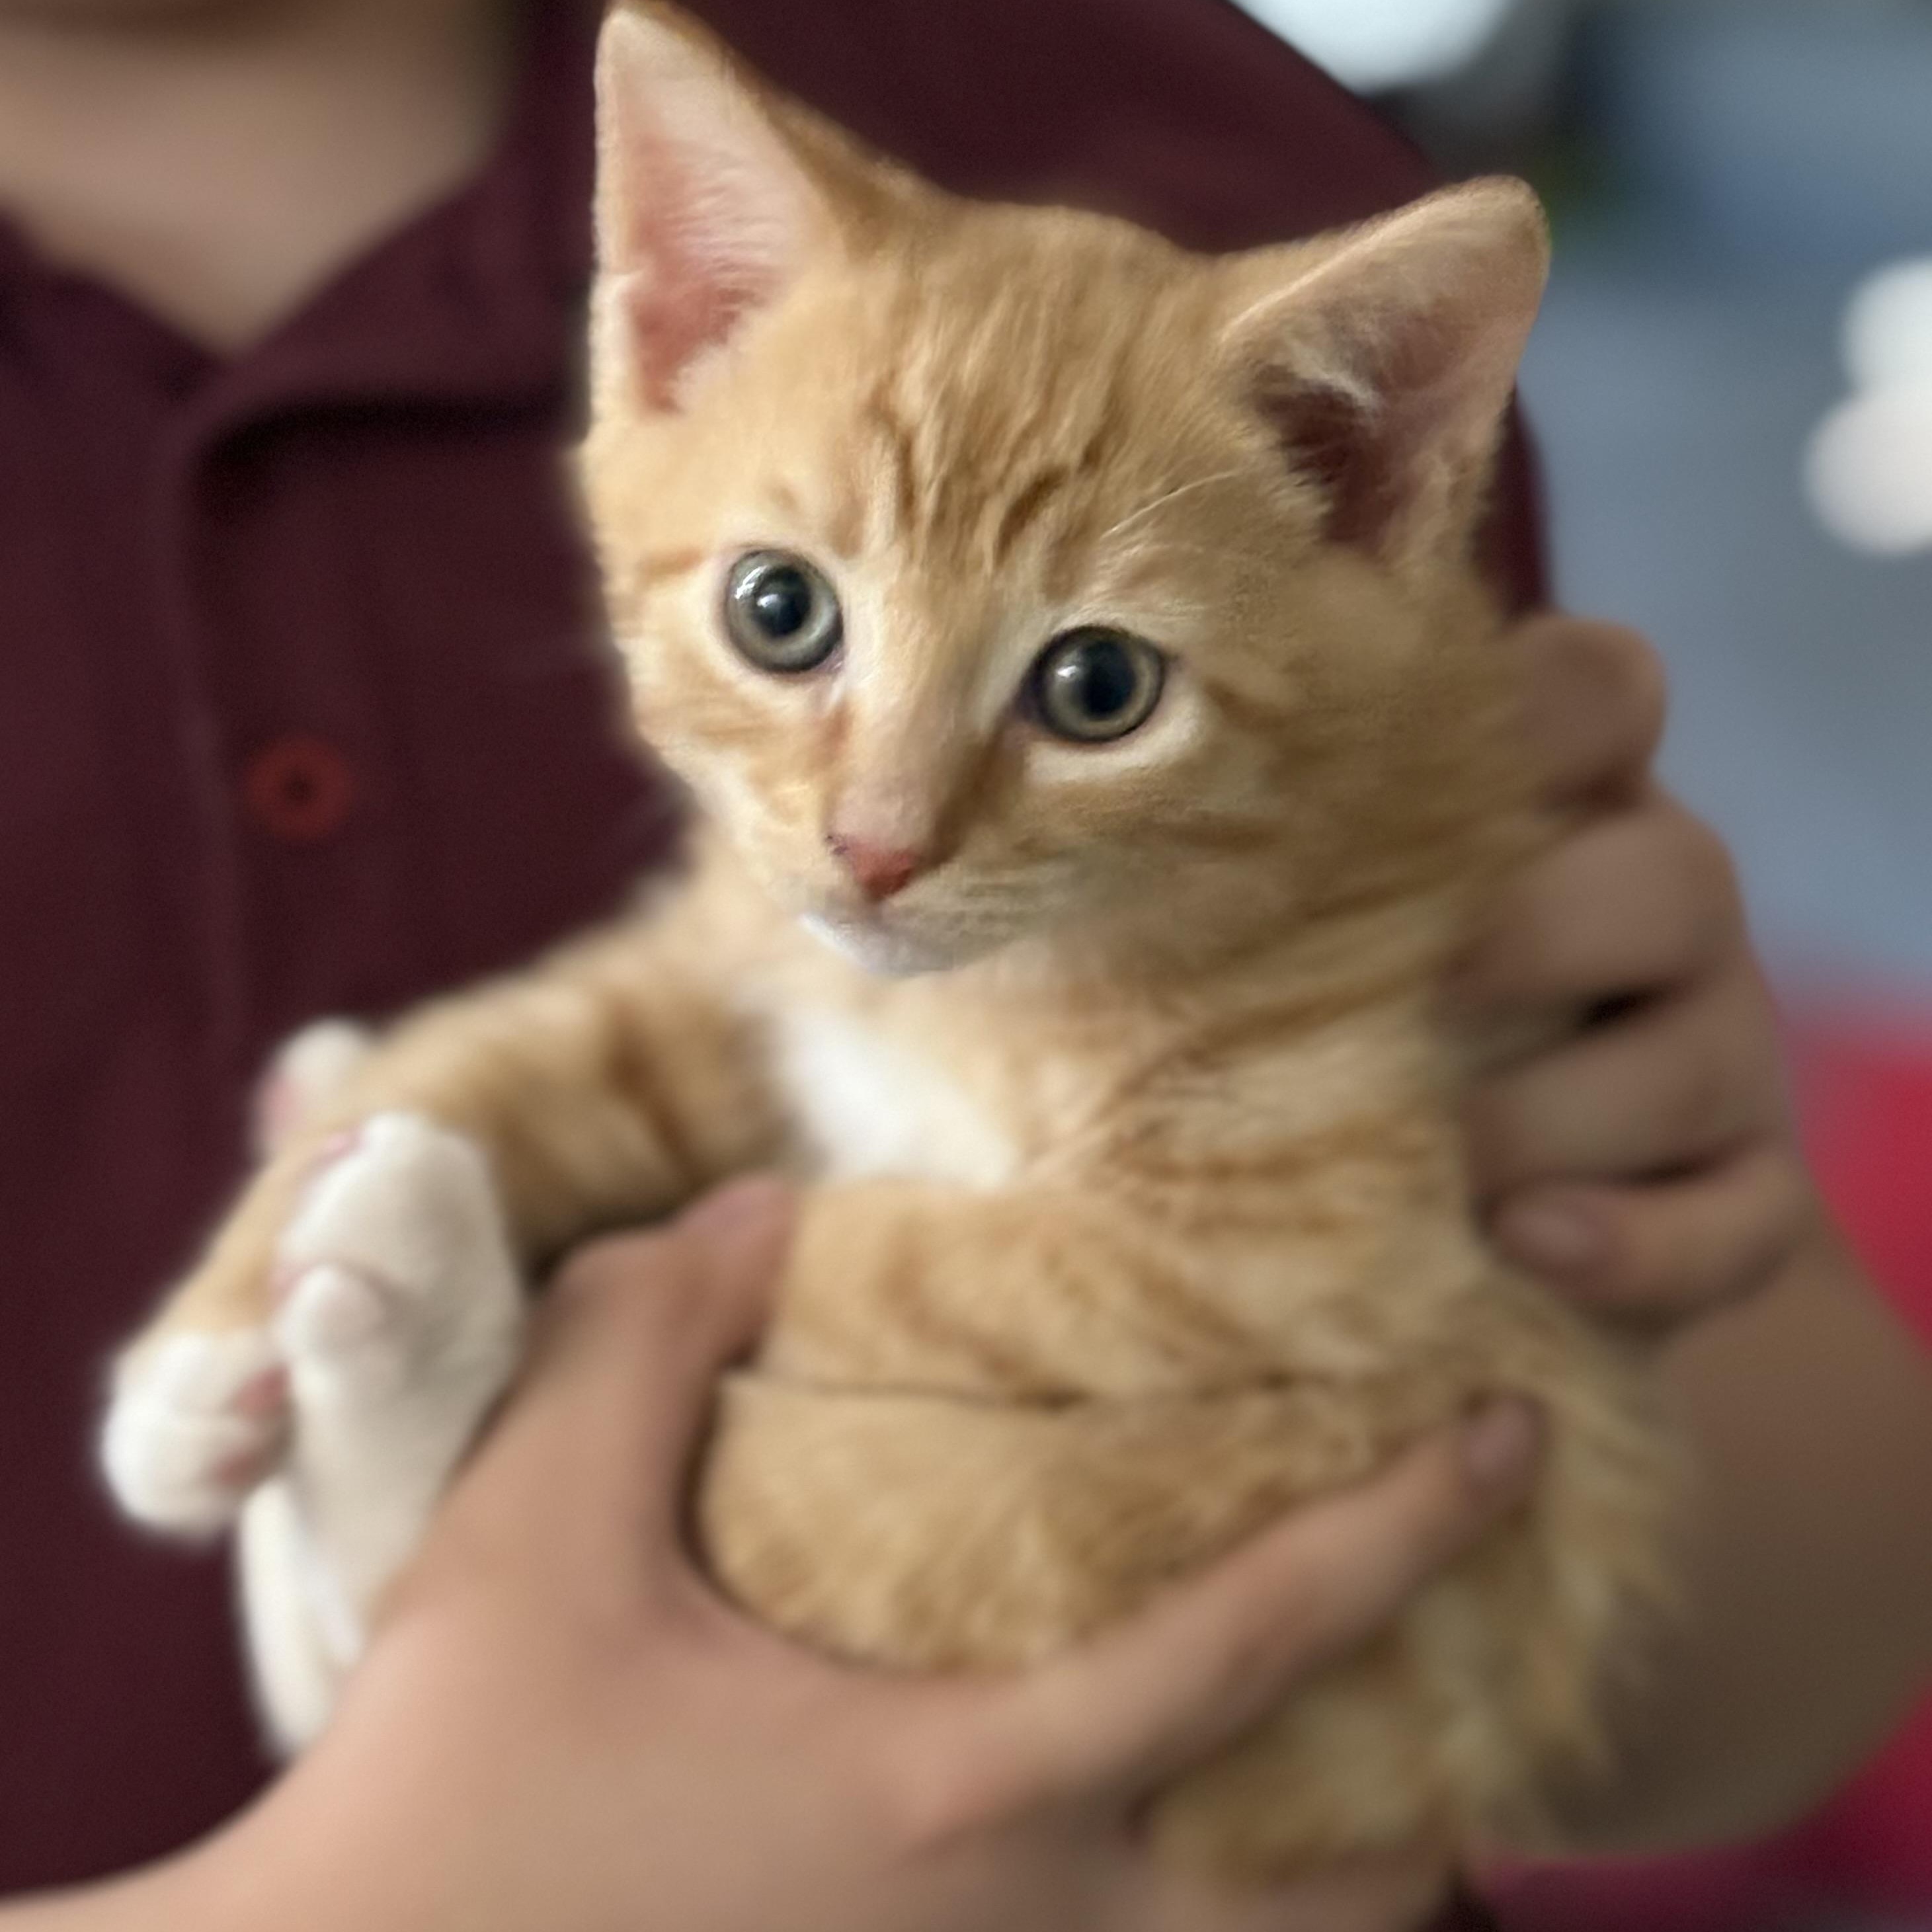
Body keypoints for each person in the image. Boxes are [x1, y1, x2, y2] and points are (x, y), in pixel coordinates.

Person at [0, 0, 1927, 1925]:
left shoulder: (1208, 147)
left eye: (1090, 687)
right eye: (786, 616)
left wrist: (1659, 1251)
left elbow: (1774, 1603)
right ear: (672, 324)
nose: (882, 830)